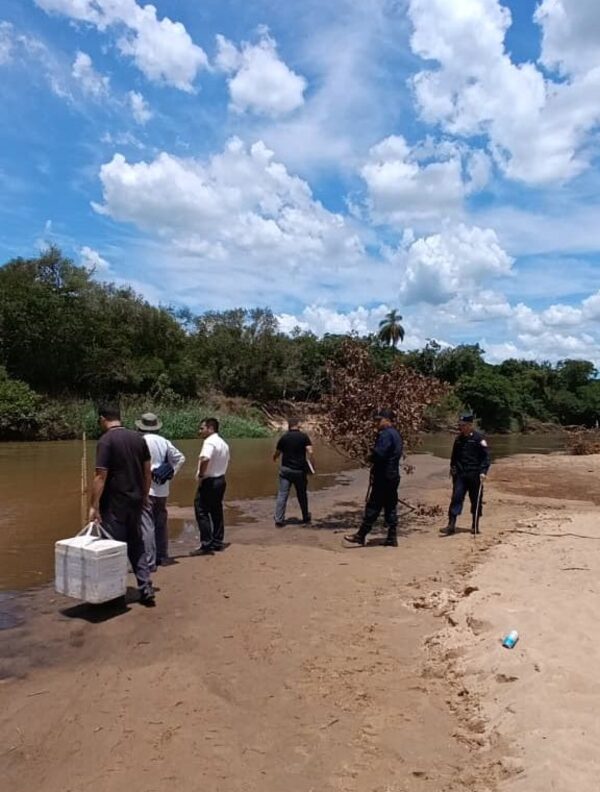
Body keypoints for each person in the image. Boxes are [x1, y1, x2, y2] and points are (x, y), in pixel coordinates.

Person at [88, 404, 155, 605]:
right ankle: (145, 587)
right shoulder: (138, 438)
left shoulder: (106, 441)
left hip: (114, 503)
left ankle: (114, 594)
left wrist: (93, 506)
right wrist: (145, 495)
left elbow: (100, 476)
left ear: (103, 419)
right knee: (136, 543)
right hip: (135, 500)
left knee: (113, 547)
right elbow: (148, 471)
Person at [345, 409, 403, 548]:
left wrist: (369, 458)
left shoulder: (386, 434)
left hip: (383, 475)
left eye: (379, 420)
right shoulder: (396, 434)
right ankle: (392, 537)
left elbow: (379, 453)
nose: (376, 423)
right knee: (390, 505)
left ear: (387, 420)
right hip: (393, 475)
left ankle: (361, 535)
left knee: (373, 505)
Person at [136, 412, 185, 569]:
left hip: (146, 488)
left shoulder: (140, 441)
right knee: (160, 523)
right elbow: (180, 458)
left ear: (141, 427)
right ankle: (162, 556)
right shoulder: (164, 441)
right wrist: (170, 473)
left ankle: (149, 561)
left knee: (147, 525)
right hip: (162, 489)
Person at [441, 414, 491, 536]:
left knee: (476, 499)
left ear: (470, 425)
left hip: (475, 474)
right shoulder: (459, 439)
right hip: (461, 474)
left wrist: (483, 472)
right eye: (460, 425)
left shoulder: (479, 439)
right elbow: (454, 456)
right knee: (456, 498)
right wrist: (453, 469)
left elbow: (486, 457)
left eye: (463, 425)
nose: (461, 427)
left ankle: (475, 525)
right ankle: (451, 525)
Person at [191, 417, 230, 556]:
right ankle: (217, 542)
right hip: (221, 480)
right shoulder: (223, 443)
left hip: (210, 481)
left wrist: (201, 475)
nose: (200, 431)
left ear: (210, 428)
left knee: (201, 510)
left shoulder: (209, 442)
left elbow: (205, 458)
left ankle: (206, 544)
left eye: (202, 428)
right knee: (216, 510)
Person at [273, 417, 314, 527]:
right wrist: (310, 464)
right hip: (300, 470)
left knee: (282, 494)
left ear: (289, 426)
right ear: (298, 425)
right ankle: (305, 517)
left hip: (286, 470)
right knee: (302, 494)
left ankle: (279, 519)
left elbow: (277, 453)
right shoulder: (304, 437)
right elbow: (310, 451)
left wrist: (274, 458)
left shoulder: (284, 438)